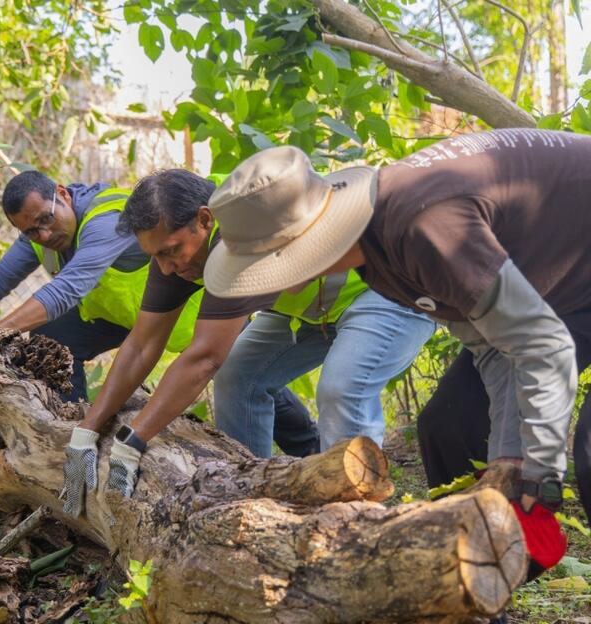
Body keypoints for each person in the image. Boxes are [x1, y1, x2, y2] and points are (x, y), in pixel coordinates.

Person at [202, 129, 591, 580]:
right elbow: (493, 346)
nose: (273, 284)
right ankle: (470, 588)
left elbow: (541, 345)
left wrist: (525, 468)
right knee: (450, 428)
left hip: (560, 302)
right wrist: (509, 461)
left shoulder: (424, 228)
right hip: (567, 292)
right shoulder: (377, 258)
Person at [59, 169, 434, 516]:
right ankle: (248, 501)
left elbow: (205, 357)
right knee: (239, 377)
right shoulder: (175, 256)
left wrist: (133, 439)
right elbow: (141, 346)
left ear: (205, 220)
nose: (166, 268)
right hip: (312, 312)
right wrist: (87, 430)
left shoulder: (239, 238)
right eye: (154, 255)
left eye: (171, 250)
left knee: (341, 388)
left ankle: (351, 517)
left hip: (386, 291)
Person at [0, 170, 199, 401]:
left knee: (226, 375)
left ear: (62, 194)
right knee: (50, 341)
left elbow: (66, 290)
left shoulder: (107, 219)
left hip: (185, 315)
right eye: (31, 231)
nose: (44, 235)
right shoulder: (38, 233)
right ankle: (70, 422)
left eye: (46, 220)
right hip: (121, 315)